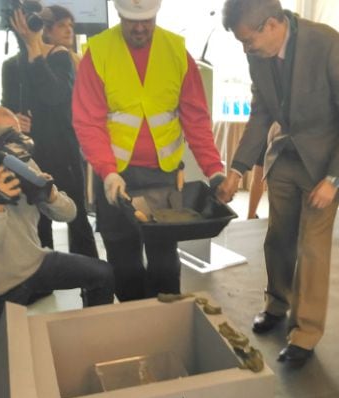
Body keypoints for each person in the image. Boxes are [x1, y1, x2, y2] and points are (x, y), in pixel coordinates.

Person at [221, 0, 339, 366]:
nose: (245, 49)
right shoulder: (258, 52)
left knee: (313, 250)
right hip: (285, 154)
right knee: (278, 238)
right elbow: (261, 112)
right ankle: (276, 303)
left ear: (272, 25)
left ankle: (305, 332)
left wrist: (334, 179)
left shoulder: (330, 46)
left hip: (327, 162)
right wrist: (237, 169)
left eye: (248, 40)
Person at [72, 0, 240, 302]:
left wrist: (214, 170)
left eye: (146, 20)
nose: (139, 27)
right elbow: (88, 122)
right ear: (119, 13)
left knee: (164, 263)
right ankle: (136, 324)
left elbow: (196, 118)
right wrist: (107, 171)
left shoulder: (176, 52)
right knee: (124, 263)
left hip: (162, 178)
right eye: (131, 20)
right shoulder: (97, 53)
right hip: (116, 178)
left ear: (156, 13)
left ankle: (167, 325)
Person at [0, 106, 115, 354]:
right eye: (9, 134)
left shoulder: (22, 161)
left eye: (19, 131)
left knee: (103, 274)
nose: (19, 141)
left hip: (36, 262)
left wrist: (50, 195)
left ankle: (89, 341)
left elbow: (70, 213)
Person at [4, 5, 99, 261]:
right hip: (30, 152)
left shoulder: (61, 57)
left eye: (71, 25)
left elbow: (54, 94)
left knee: (76, 216)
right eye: (62, 25)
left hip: (63, 148)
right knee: (37, 219)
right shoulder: (11, 66)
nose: (69, 30)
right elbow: (8, 105)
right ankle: (42, 276)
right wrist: (15, 119)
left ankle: (91, 278)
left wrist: (34, 48)